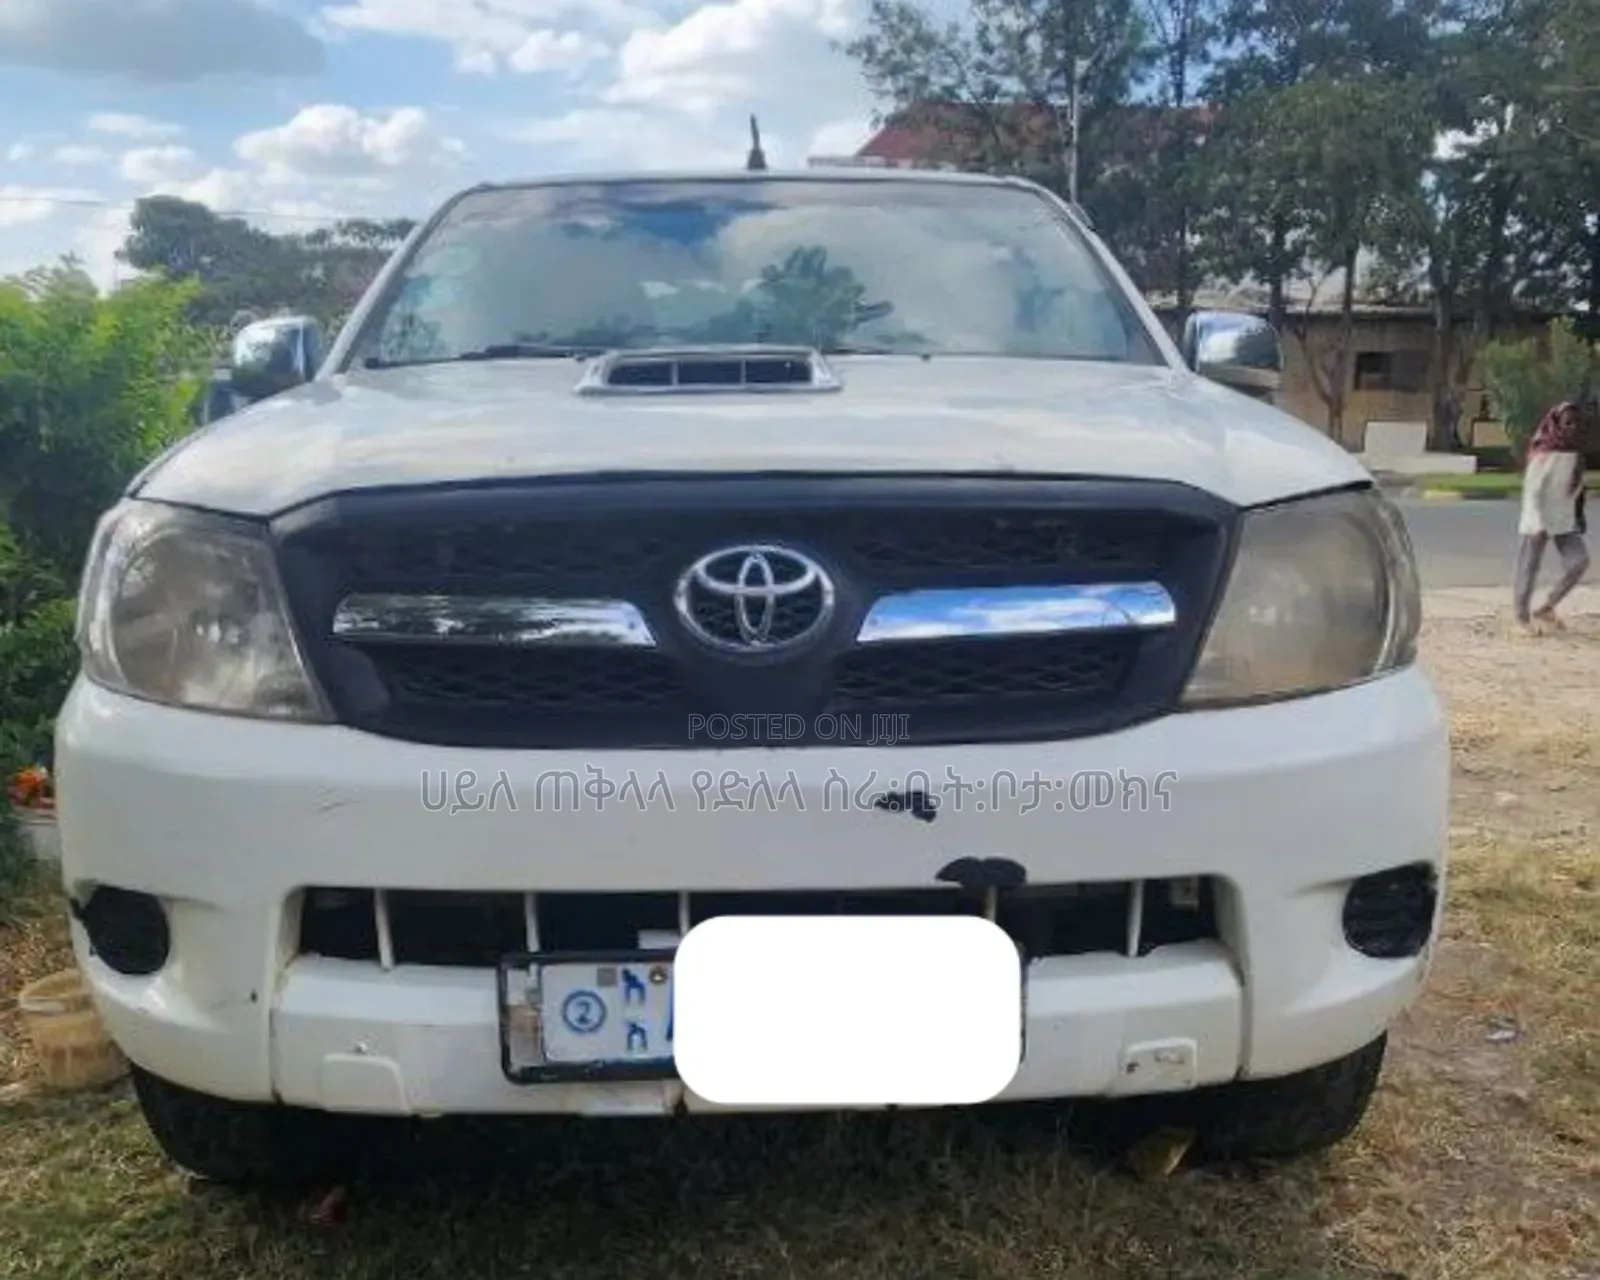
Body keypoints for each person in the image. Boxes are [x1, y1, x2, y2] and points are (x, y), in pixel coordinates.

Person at [1514, 400, 1590, 634]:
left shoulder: (1575, 454)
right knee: (1528, 568)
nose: (1572, 428)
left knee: (1579, 561)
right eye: (1567, 423)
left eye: (1576, 423)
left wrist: (1578, 515)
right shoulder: (1543, 453)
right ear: (1557, 423)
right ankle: (1521, 617)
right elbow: (1532, 490)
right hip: (1537, 519)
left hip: (1563, 520)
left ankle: (1547, 607)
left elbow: (1576, 488)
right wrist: (1537, 523)